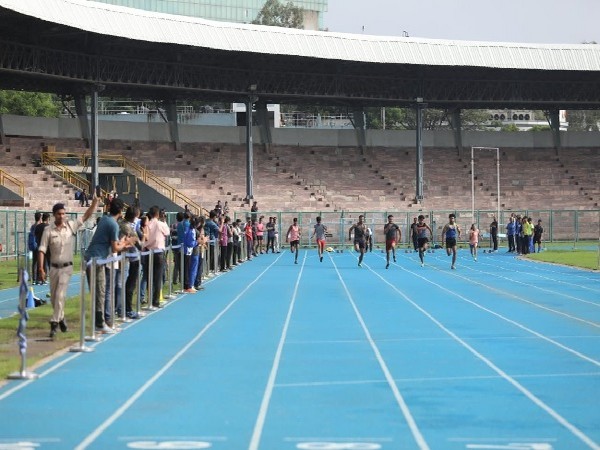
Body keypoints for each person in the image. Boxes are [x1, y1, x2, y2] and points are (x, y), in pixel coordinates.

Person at [38, 198, 98, 338]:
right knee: (54, 299)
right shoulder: (48, 230)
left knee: (60, 295)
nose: (62, 216)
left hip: (67, 268)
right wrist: (41, 268)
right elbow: (42, 249)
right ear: (54, 215)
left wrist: (94, 203)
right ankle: (61, 318)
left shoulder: (71, 226)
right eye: (59, 213)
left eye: (63, 213)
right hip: (53, 268)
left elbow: (85, 216)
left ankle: (54, 323)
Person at [85, 198, 135, 333]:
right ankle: (100, 324)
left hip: (94, 258)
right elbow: (114, 248)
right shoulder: (113, 224)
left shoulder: (105, 220)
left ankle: (99, 322)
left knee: (99, 292)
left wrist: (123, 243)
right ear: (120, 210)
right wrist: (126, 243)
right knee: (100, 291)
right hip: (96, 259)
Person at [143, 206, 170, 308]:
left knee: (149, 276)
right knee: (157, 277)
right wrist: (164, 220)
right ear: (158, 214)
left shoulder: (148, 224)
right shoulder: (160, 224)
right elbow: (167, 232)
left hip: (148, 251)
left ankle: (150, 299)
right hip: (158, 252)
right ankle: (156, 300)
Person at [123, 206, 142, 319]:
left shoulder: (126, 224)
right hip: (130, 257)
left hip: (129, 256)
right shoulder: (128, 226)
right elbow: (139, 245)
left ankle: (123, 308)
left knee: (125, 284)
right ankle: (127, 310)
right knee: (129, 285)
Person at [34, 213, 51, 285]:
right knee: (49, 263)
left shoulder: (37, 227)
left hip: (40, 246)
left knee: (40, 264)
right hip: (47, 247)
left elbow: (35, 235)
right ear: (47, 219)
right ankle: (46, 279)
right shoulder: (49, 227)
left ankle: (39, 279)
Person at [28, 212, 42, 284]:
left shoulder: (32, 226)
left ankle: (34, 279)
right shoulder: (39, 226)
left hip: (34, 245)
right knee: (39, 262)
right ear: (40, 218)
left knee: (34, 262)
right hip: (38, 245)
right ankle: (38, 279)